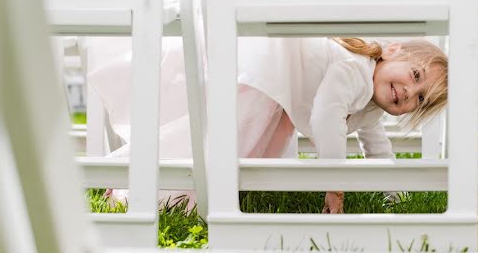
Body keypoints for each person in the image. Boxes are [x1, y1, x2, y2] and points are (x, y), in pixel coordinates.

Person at [90, 36, 448, 213]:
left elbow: (377, 148)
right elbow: (326, 118)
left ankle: (133, 182)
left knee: (230, 154)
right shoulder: (355, 69)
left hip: (277, 97)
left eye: (420, 98)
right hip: (266, 78)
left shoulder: (372, 101)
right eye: (414, 75)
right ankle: (135, 191)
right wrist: (335, 185)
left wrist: (395, 196)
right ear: (393, 51)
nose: (407, 91)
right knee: (217, 148)